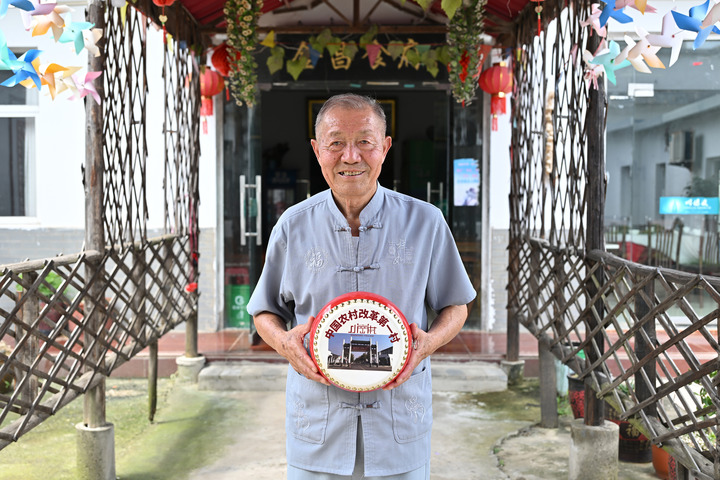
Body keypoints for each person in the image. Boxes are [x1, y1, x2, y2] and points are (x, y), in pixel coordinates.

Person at [247, 93, 476, 479]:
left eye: (365, 142)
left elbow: (457, 305)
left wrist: (429, 343)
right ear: (317, 150)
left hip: (398, 425)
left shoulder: (426, 222)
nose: (350, 156)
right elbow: (264, 311)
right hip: (316, 427)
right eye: (336, 142)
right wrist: (284, 343)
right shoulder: (292, 225)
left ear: (384, 147)